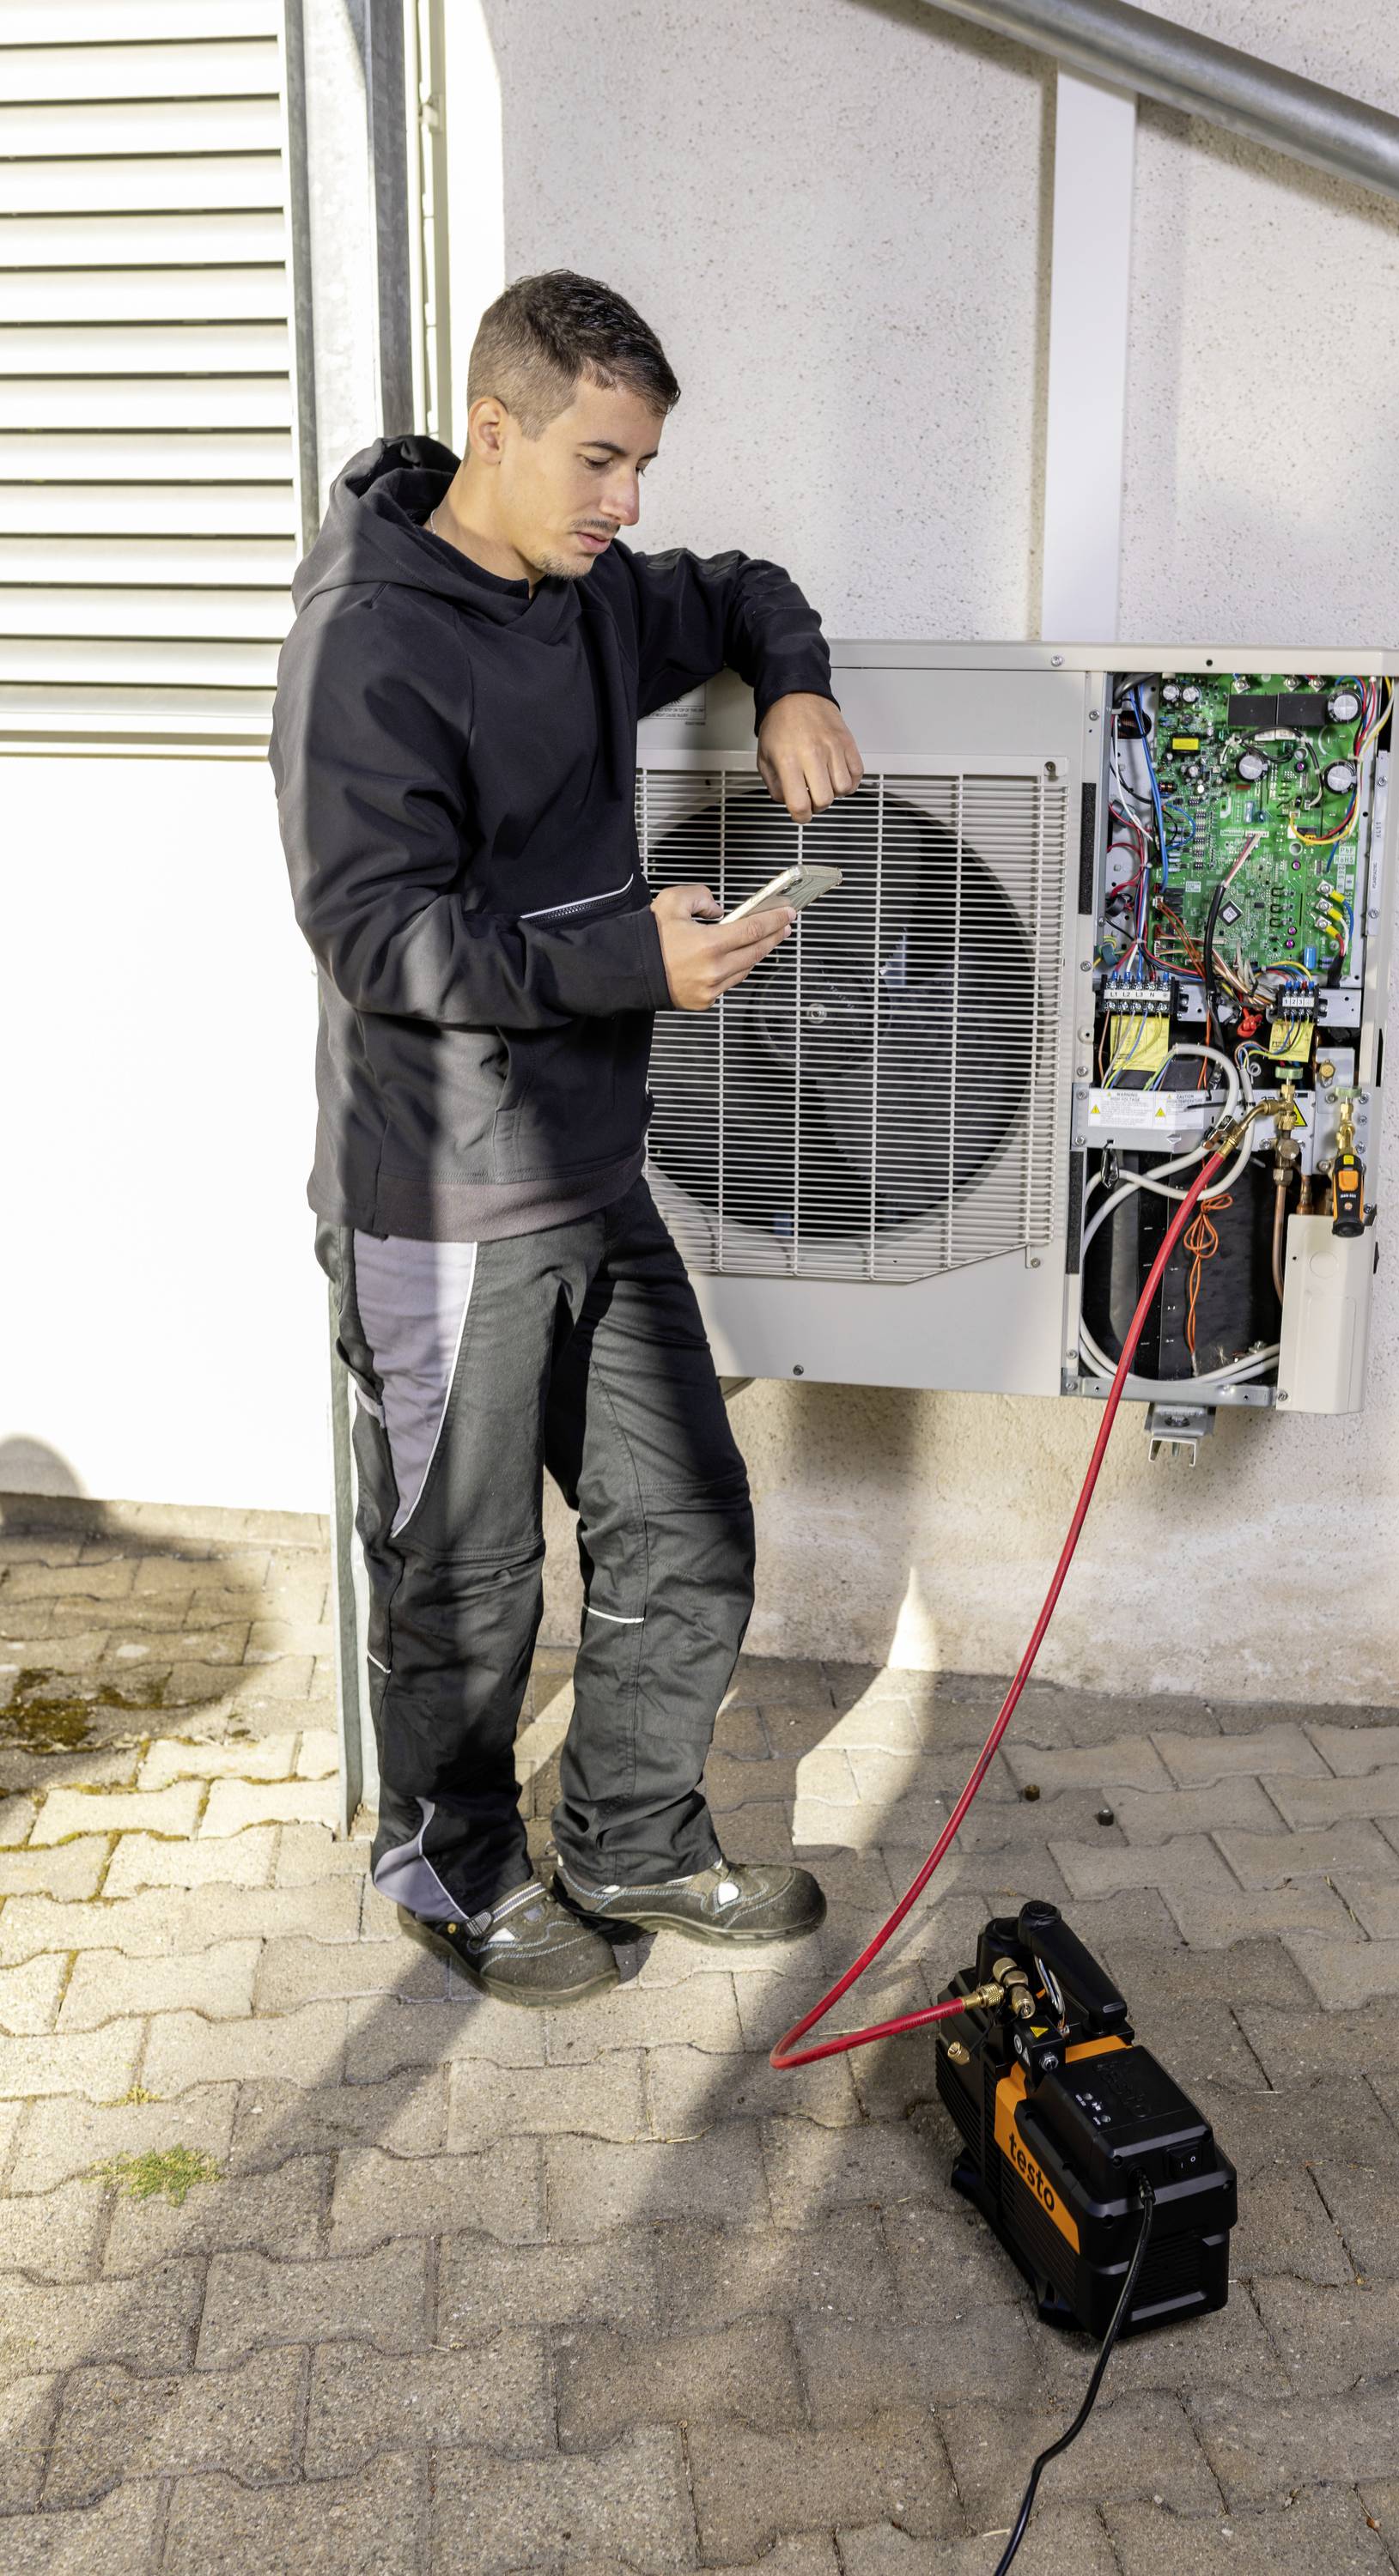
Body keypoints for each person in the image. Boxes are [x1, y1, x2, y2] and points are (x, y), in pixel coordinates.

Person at [271, 270, 863, 2006]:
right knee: (462, 1582)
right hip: (440, 1198)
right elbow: (375, 932)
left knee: (684, 1519)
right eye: (599, 462)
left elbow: (743, 587)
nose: (626, 506)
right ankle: (448, 1869)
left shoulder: (590, 595)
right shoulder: (369, 642)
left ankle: (626, 1837)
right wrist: (633, 962)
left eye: (644, 469)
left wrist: (791, 683)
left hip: (591, 1171)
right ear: (497, 431)